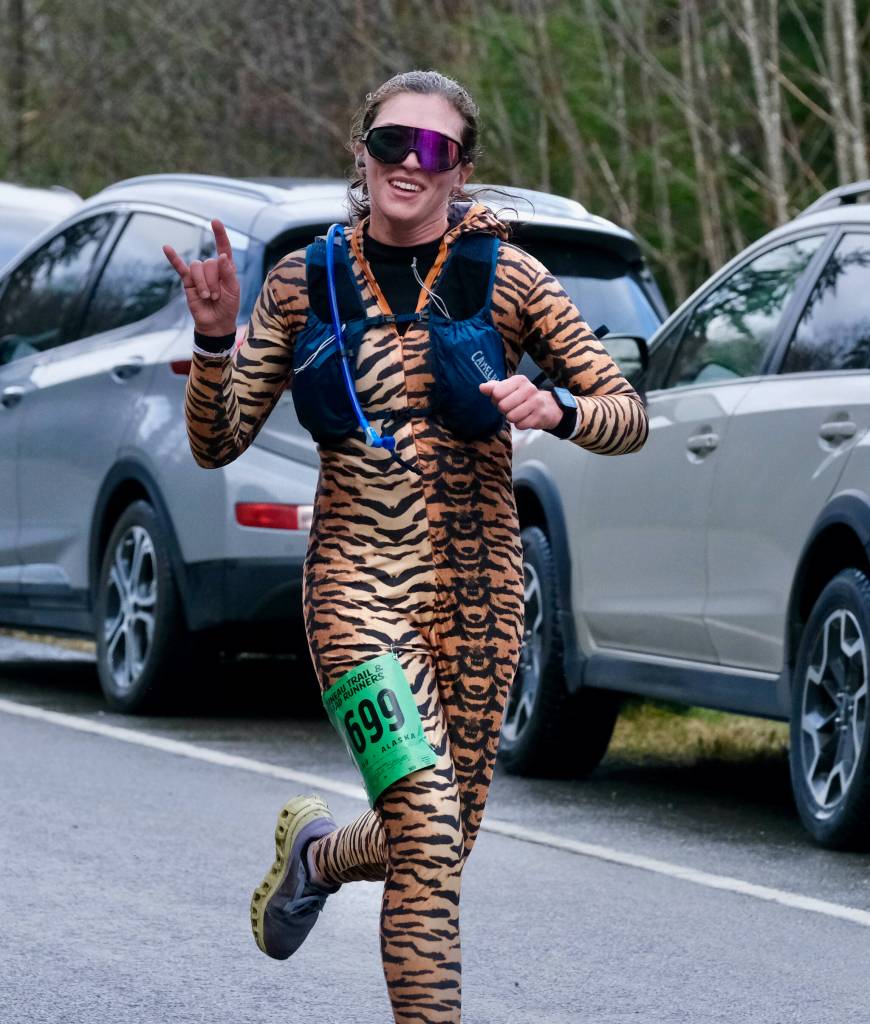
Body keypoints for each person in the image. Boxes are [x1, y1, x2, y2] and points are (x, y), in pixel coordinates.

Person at [164, 69, 648, 1024]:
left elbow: (629, 416)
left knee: (440, 843)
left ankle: (318, 856)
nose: (409, 164)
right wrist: (217, 342)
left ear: (461, 170)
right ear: (362, 151)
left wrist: (559, 406)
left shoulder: (510, 278)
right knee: (425, 832)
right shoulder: (306, 280)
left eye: (434, 150)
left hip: (481, 593)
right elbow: (216, 443)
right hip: (357, 587)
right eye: (392, 141)